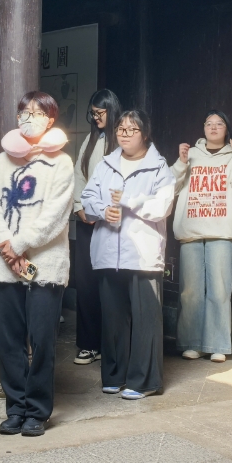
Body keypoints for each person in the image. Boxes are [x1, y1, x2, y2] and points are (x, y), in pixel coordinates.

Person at [0, 93, 74, 437]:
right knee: (9, 340)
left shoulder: (62, 163)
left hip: (45, 264)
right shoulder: (1, 161)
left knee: (42, 339)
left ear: (50, 120)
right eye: (24, 111)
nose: (28, 117)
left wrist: (18, 245)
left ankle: (37, 410)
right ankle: (16, 408)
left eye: (36, 113)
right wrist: (5, 247)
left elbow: (56, 214)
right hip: (5, 264)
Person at [82, 109, 174, 400]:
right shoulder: (106, 164)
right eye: (121, 128)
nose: (124, 134)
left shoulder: (159, 167)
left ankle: (145, 381)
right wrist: (102, 210)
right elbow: (87, 197)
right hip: (109, 251)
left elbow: (162, 207)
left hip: (143, 255)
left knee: (146, 320)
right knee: (113, 318)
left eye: (132, 129)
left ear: (145, 134)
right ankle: (114, 375)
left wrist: (130, 201)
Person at [172, 110, 232, 363]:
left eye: (219, 124)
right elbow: (170, 186)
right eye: (209, 123)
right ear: (203, 128)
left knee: (219, 290)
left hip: (222, 231)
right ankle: (192, 343)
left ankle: (217, 345)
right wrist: (181, 162)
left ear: (227, 129)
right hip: (191, 231)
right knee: (189, 291)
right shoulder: (191, 153)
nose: (213, 127)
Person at [71, 89, 122, 365]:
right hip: (87, 220)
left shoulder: (122, 138)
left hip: (113, 222)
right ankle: (89, 344)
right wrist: (79, 207)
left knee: (111, 283)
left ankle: (112, 345)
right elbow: (78, 175)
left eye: (100, 113)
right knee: (86, 282)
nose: (95, 118)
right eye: (92, 113)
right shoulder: (91, 140)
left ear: (111, 110)